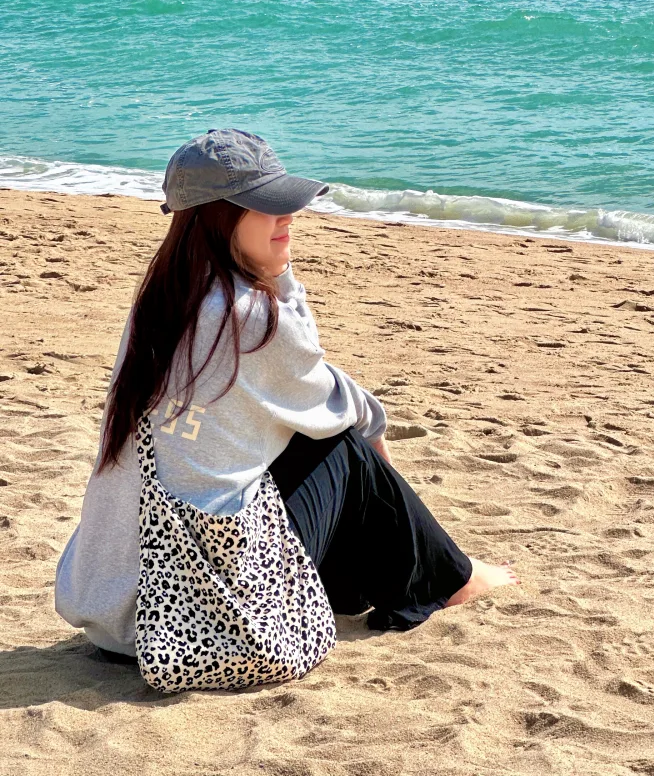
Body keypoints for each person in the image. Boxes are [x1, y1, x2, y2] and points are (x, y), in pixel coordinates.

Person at [55, 128, 516, 662]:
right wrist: (375, 435)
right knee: (341, 445)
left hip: (116, 612)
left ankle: (393, 578)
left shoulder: (162, 302)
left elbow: (298, 387)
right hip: (192, 618)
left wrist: (270, 266)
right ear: (218, 216)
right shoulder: (249, 314)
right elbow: (336, 401)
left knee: (303, 436)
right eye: (269, 208)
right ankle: (452, 578)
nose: (288, 218)